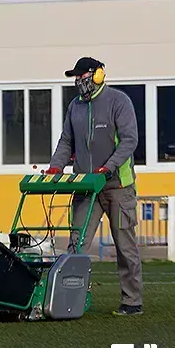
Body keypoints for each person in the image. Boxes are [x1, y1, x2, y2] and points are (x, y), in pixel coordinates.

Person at [45, 57, 144, 316]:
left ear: (98, 75)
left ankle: (132, 301)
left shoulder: (118, 102)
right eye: (76, 77)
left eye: (82, 76)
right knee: (76, 245)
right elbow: (66, 141)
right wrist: (56, 166)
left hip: (117, 186)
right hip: (85, 185)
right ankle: (65, 300)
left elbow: (129, 140)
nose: (79, 81)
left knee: (125, 246)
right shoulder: (74, 107)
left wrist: (108, 167)